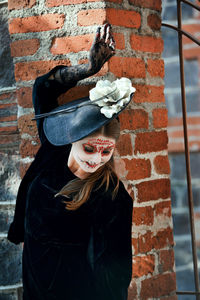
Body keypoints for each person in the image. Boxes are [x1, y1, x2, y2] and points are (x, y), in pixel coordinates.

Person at [7, 24, 134, 300]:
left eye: (106, 152)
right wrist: (87, 70)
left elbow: (114, 276)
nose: (96, 160)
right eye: (89, 148)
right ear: (71, 138)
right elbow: (43, 88)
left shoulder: (112, 197)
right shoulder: (53, 149)